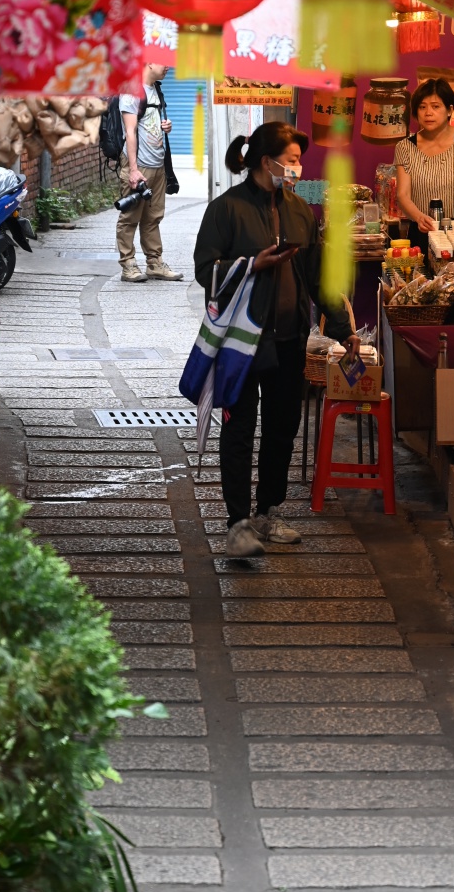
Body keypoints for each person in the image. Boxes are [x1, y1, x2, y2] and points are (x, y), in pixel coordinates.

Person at [194, 121, 359, 559]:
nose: (298, 169)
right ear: (266, 162)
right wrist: (253, 264)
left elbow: (319, 277)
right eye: (291, 161)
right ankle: (237, 523)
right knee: (239, 428)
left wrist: (344, 329)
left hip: (289, 338)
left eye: (299, 161)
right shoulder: (226, 209)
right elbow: (205, 271)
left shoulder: (299, 209)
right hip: (243, 340)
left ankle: (269, 510)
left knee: (283, 428)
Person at [394, 76, 454, 251]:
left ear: (450, 110)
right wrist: (420, 218)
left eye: (435, 106)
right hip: (422, 234)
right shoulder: (405, 147)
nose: (428, 113)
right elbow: (403, 195)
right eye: (422, 107)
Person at [117, 63, 182, 282]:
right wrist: (133, 170)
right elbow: (130, 131)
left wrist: (166, 127)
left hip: (157, 164)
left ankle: (155, 264)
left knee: (153, 217)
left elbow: (150, 124)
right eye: (163, 61)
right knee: (130, 217)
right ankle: (128, 265)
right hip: (139, 165)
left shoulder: (156, 89)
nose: (168, 66)